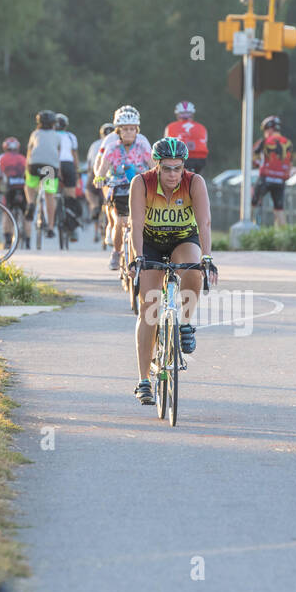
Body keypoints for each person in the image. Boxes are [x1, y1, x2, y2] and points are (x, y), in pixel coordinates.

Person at [127, 137, 217, 405]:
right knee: (149, 308)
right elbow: (135, 223)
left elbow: (205, 223)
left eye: (178, 168)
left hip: (182, 239)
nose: (173, 175)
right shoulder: (142, 183)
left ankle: (186, 323)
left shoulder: (194, 182)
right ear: (157, 166)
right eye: (167, 168)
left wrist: (208, 257)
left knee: (193, 268)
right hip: (150, 243)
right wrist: (138, 258)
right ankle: (144, 380)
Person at [93, 105, 152, 270]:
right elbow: (102, 167)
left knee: (144, 221)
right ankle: (117, 252)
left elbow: (153, 165)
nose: (129, 132)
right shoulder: (112, 147)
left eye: (132, 129)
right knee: (120, 221)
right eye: (125, 129)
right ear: (118, 131)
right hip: (119, 189)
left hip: (140, 188)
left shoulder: (142, 146)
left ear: (137, 130)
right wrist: (99, 178)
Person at [251, 115, 294, 228]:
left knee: (252, 204)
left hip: (265, 178)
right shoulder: (288, 143)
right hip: (280, 180)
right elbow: (290, 163)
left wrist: (256, 163)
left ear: (269, 128)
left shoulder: (265, 141)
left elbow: (253, 157)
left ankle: (250, 231)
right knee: (279, 209)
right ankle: (284, 236)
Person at [26, 110, 63, 240]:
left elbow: (29, 152)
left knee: (30, 187)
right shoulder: (57, 136)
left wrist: (27, 168)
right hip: (50, 167)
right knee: (49, 195)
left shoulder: (35, 134)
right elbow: (57, 154)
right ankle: (51, 227)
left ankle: (30, 202)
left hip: (34, 165)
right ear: (54, 124)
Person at [0, 136, 30, 250]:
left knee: (6, 213)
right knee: (26, 214)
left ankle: (8, 241)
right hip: (23, 188)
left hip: (10, 189)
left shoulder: (1, 158)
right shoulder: (24, 158)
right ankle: (28, 242)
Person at [86, 122, 114, 247]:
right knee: (109, 200)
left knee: (89, 190)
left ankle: (94, 206)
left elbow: (89, 164)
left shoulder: (95, 144)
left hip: (96, 172)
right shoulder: (116, 143)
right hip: (111, 174)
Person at [54, 113, 81, 240]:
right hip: (68, 164)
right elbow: (74, 155)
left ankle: (48, 221)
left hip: (52, 165)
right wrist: (77, 171)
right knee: (71, 196)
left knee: (50, 194)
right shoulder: (71, 136)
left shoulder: (50, 135)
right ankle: (73, 228)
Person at [164, 101, 209, 173]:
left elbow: (166, 145)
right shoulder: (201, 127)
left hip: (180, 158)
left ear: (178, 114)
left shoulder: (171, 127)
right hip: (199, 159)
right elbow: (205, 144)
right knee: (197, 178)